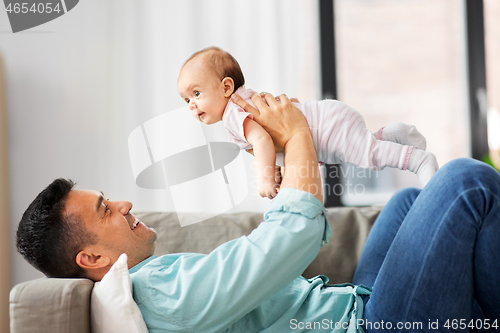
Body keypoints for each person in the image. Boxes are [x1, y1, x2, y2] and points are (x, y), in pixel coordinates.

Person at [17, 92, 500, 332]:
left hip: (356, 302)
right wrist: (298, 138)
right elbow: (289, 240)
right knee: (463, 182)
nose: (123, 204)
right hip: (366, 325)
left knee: (407, 202)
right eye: (105, 209)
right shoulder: (156, 295)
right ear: (92, 258)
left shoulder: (154, 283)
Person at [177, 46, 439, 199]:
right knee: (362, 147)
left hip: (323, 128)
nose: (191, 104)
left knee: (368, 155)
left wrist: (265, 179)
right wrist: (277, 169)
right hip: (326, 120)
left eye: (196, 93)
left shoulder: (232, 113)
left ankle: (418, 160)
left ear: (226, 86)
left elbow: (261, 140)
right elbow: (267, 146)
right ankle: (394, 134)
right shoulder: (242, 101)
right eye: (186, 99)